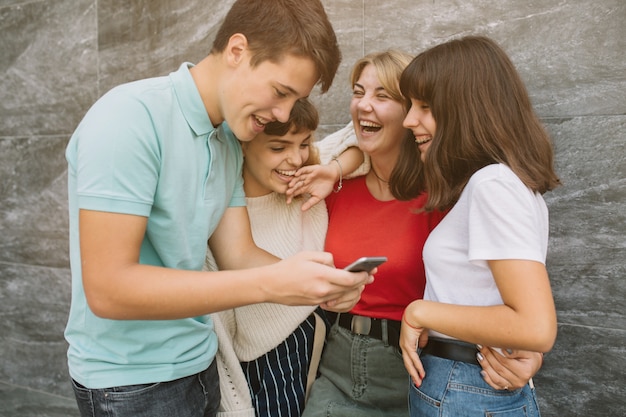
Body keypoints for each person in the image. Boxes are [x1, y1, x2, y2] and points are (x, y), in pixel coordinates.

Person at [63, 1, 373, 416]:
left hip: (201, 365)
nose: (282, 113)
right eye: (280, 92)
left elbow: (238, 253)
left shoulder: (227, 139)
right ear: (236, 51)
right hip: (130, 383)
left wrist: (319, 282)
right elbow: (107, 289)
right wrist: (272, 284)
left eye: (294, 99)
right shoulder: (128, 118)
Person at [288, 50, 546, 417]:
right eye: (357, 92)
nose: (364, 105)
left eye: (383, 96)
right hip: (339, 363)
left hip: (417, 369)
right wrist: (336, 168)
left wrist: (525, 350)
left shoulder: (447, 192)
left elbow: (501, 290)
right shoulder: (331, 184)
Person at [399, 35, 560, 416]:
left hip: (465, 386)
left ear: (464, 109)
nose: (409, 120)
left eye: (425, 106)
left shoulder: (493, 185)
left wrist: (419, 312)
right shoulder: (502, 184)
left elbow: (535, 326)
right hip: (467, 384)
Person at [205, 98, 366, 417]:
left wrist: (332, 170)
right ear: (243, 145)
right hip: (267, 364)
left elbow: (363, 138)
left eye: (304, 143)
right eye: (278, 148)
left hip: (327, 345)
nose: (295, 158)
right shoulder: (223, 209)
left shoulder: (309, 175)